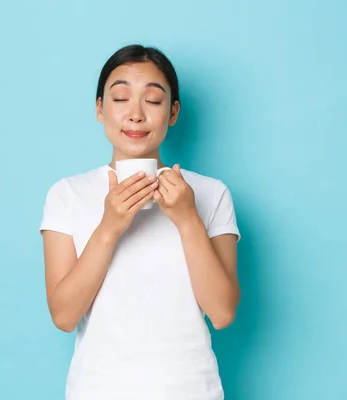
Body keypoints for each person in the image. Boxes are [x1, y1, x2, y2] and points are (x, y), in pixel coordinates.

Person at [39, 44, 241, 400]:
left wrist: (187, 220)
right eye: (119, 98)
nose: (135, 115)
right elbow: (64, 316)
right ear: (100, 109)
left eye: (153, 100)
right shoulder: (67, 194)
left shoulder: (211, 193)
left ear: (173, 112)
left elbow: (223, 313)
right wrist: (108, 228)